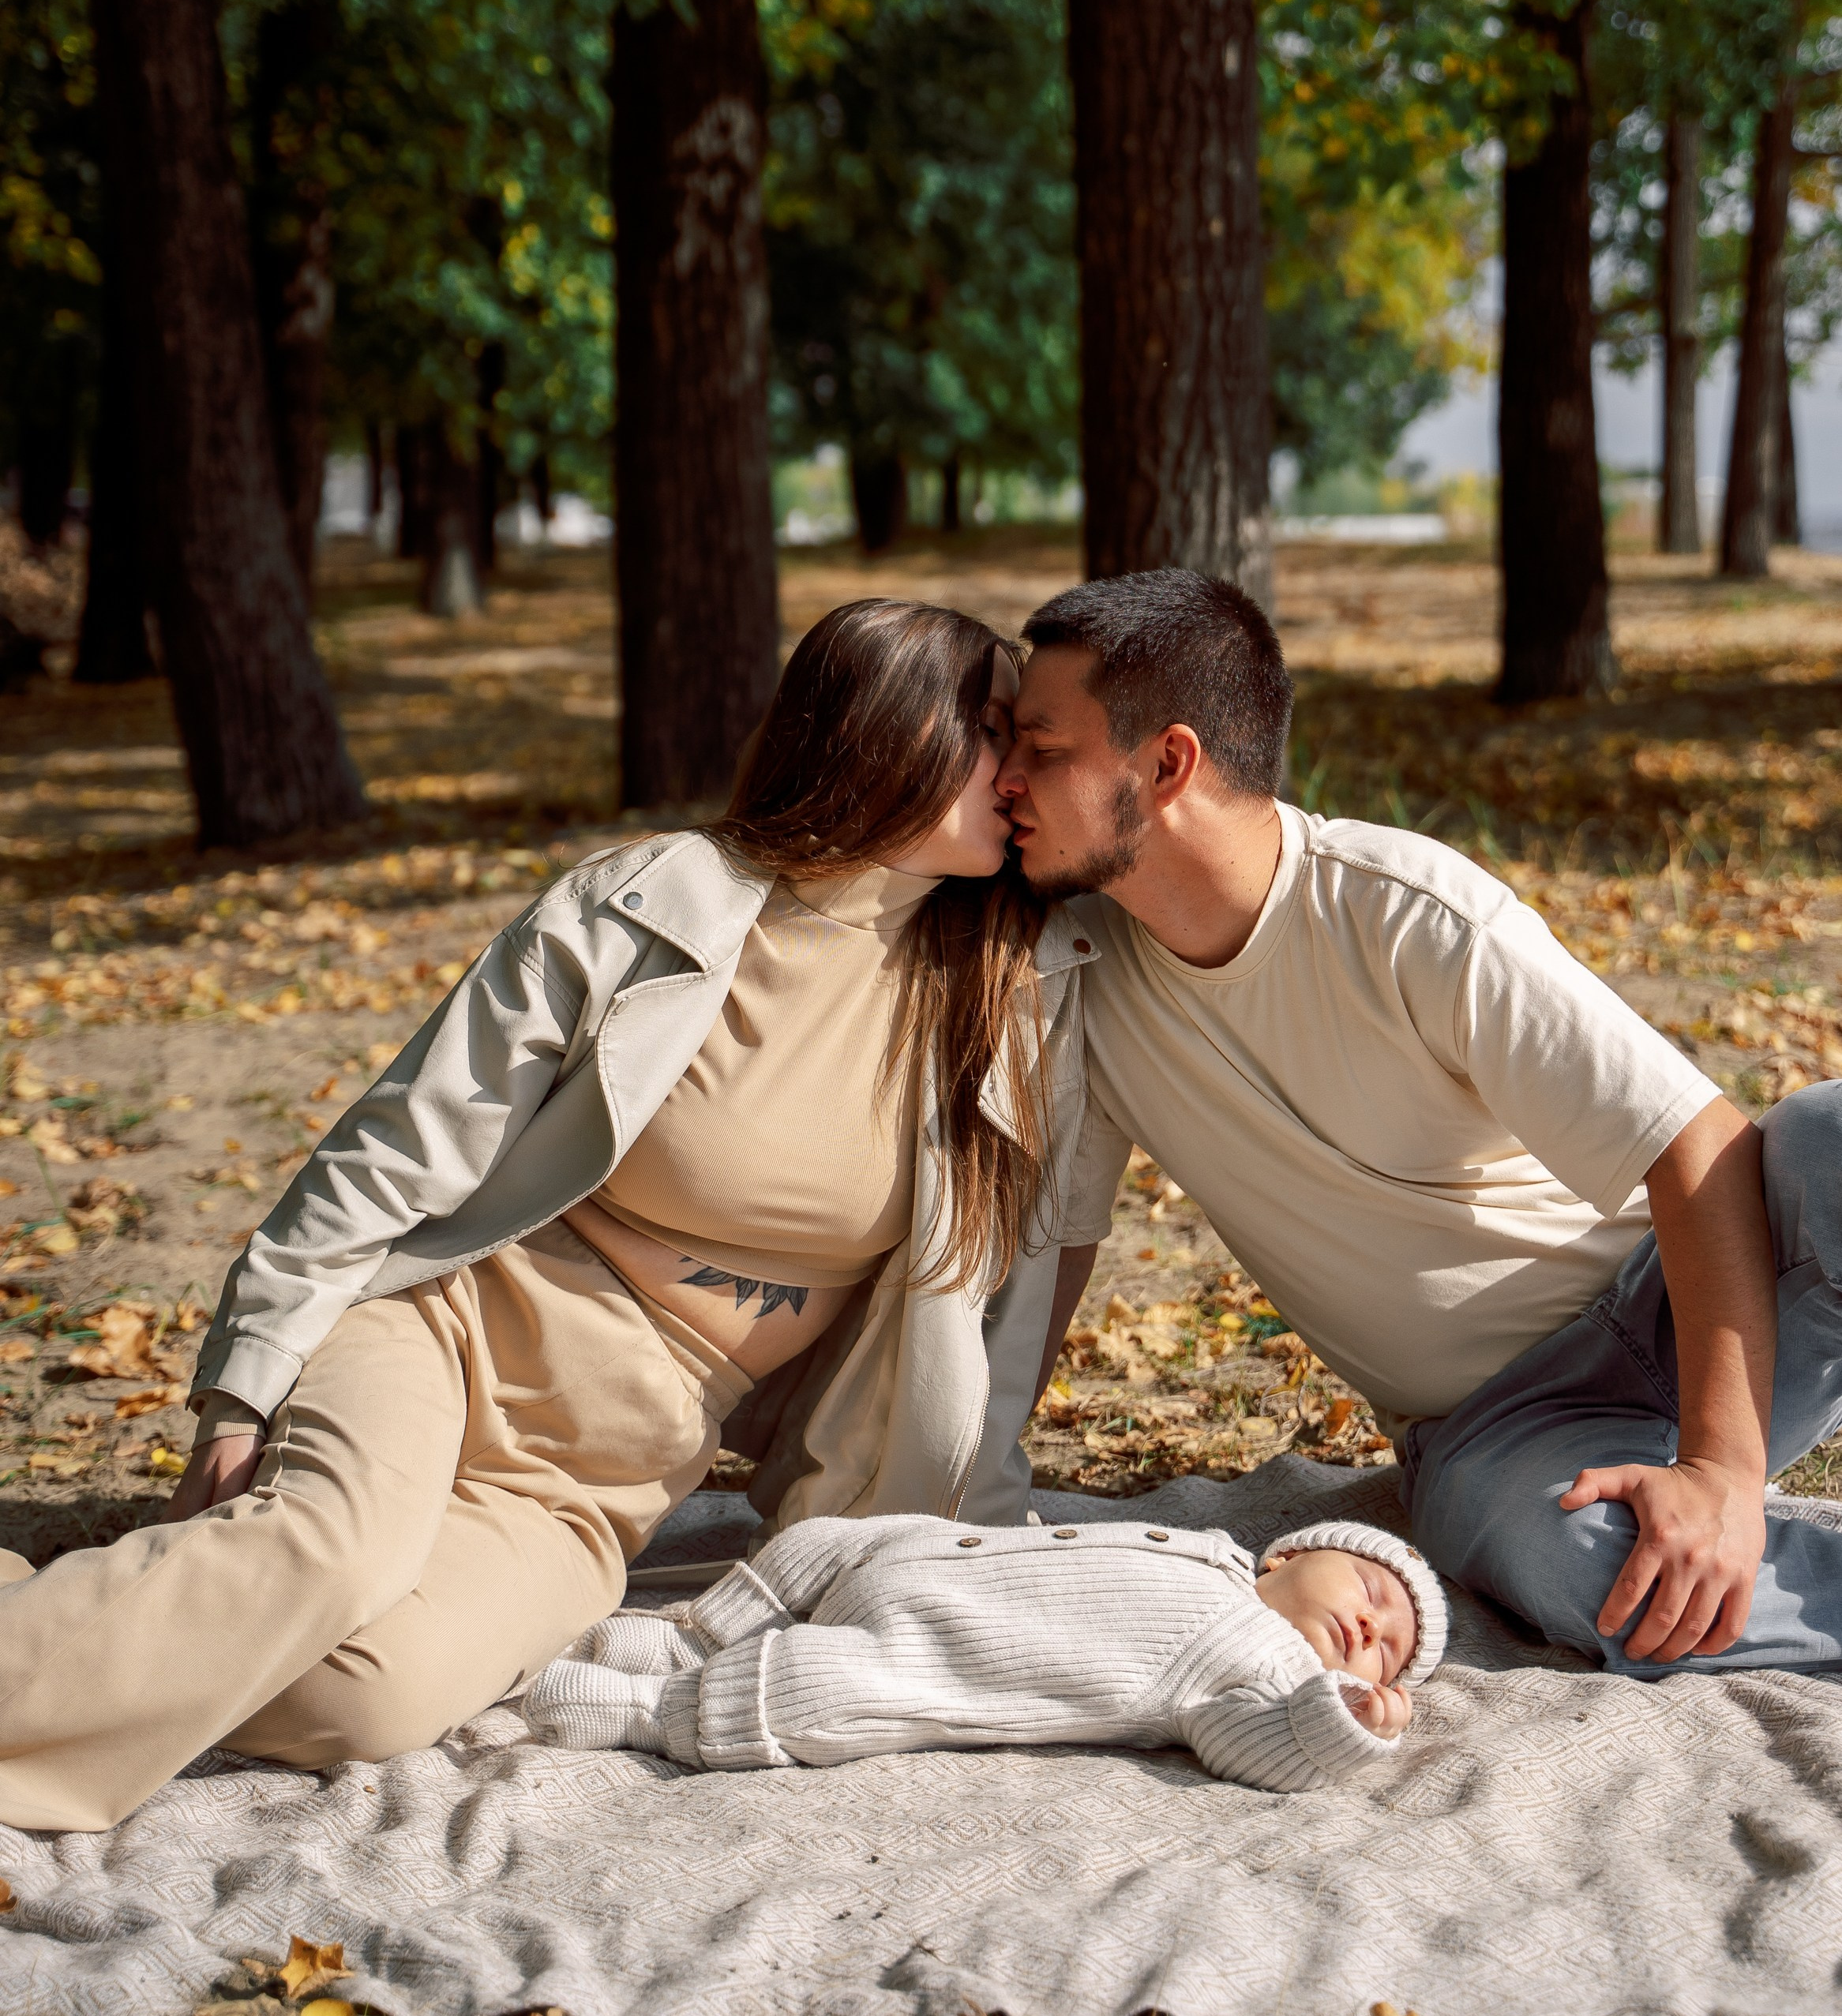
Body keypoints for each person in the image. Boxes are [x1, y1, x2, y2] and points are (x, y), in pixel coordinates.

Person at [0, 600, 1112, 1834]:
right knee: (326, 1552)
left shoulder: (1014, 983)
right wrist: (244, 1386)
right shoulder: (660, 902)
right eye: (995, 733)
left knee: (362, 1702)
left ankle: (79, 1615)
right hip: (450, 1333)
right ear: (889, 737)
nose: (1020, 770)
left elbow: (1009, 1301)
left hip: (591, 1483)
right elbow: (402, 1139)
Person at [997, 566, 1842, 1678]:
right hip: (1500, 1435)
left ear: (1167, 764)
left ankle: (1719, 1514)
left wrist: (1722, 1472)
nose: (1003, 778)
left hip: (1685, 1302)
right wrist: (970, 1486)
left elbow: (1696, 1145)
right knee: (1580, 1570)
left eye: (1042, 751)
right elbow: (1060, 1241)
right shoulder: (1085, 981)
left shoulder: (1403, 913)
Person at [519, 1511, 1447, 1790]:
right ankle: (694, 1636)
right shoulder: (1212, 1549)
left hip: (934, 1650)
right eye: (1370, 1593)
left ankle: (641, 1711)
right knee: (819, 1537)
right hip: (931, 1554)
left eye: (1387, 1652)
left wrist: (1341, 1722)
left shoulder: (1266, 1671)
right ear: (1284, 1553)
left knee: (812, 1688)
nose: (1373, 1630)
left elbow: (1259, 1747)